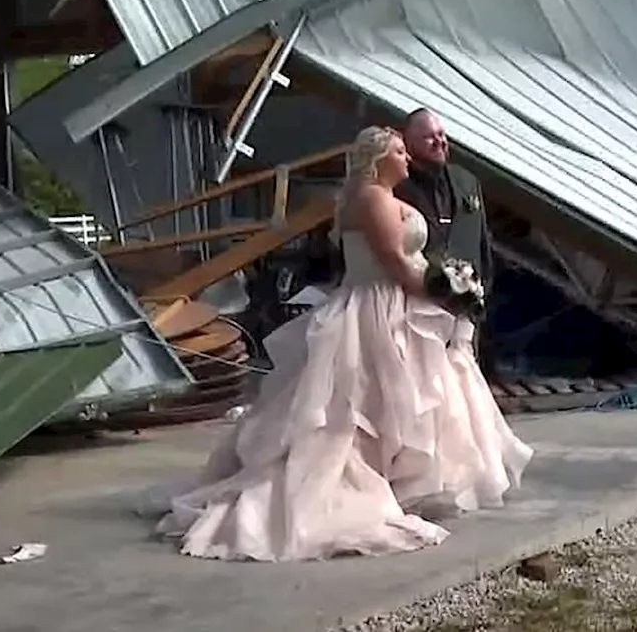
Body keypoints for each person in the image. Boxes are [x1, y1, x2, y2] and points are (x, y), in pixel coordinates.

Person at [151, 126, 532, 562]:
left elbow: (411, 261)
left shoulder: (376, 196)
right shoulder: (370, 198)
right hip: (375, 303)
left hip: (395, 302)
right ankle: (359, 485)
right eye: (399, 151)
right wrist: (449, 296)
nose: (407, 159)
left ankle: (399, 480)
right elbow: (394, 262)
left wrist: (448, 287)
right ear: (377, 158)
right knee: (358, 402)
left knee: (404, 396)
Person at [395, 109, 498, 375]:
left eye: (441, 134)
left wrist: (480, 287)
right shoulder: (398, 186)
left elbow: (482, 241)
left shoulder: (467, 181)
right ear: (409, 143)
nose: (439, 141)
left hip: (465, 309)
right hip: (418, 310)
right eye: (429, 137)